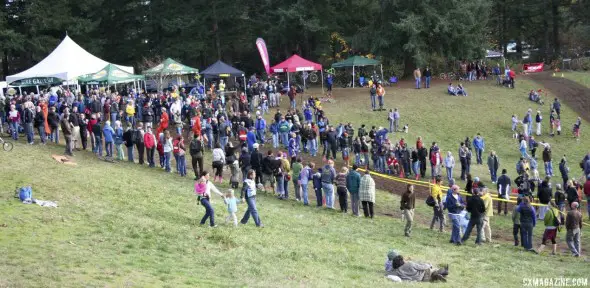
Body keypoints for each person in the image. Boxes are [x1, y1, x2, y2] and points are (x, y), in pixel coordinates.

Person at [385, 250, 449, 282]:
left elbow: (388, 274)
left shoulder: (397, 271)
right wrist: (429, 264)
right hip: (425, 273)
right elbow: (422, 267)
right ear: (402, 261)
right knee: (434, 270)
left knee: (431, 277)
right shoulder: (409, 264)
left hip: (422, 280)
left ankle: (436, 276)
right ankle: (442, 271)